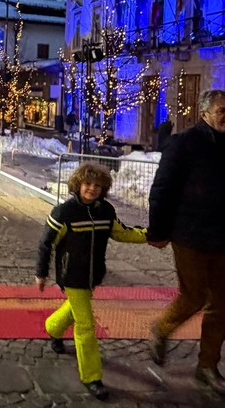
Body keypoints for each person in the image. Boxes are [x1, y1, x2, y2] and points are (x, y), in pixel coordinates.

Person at [146, 89, 225, 399]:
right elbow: (162, 188)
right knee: (194, 296)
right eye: (222, 110)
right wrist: (158, 230)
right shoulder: (184, 143)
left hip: (223, 237)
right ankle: (162, 328)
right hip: (189, 234)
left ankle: (208, 366)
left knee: (221, 306)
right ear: (205, 113)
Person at [34, 163, 147, 401]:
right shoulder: (64, 212)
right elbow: (46, 243)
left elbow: (122, 232)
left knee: (75, 309)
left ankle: (53, 328)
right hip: (72, 275)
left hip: (93, 274)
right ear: (78, 184)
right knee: (85, 325)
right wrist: (41, 272)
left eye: (97, 185)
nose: (92, 189)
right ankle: (92, 377)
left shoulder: (105, 210)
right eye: (87, 184)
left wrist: (150, 236)